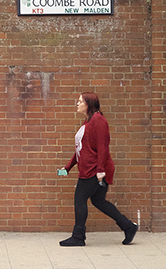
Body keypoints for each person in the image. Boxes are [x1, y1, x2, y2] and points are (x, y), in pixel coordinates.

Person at [59, 92, 138, 246]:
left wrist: (100, 170)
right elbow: (81, 150)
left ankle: (78, 236)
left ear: (89, 104)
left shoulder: (98, 120)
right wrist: (67, 168)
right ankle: (128, 226)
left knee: (79, 199)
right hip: (91, 169)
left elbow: (103, 147)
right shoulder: (88, 122)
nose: (77, 104)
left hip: (94, 170)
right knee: (98, 201)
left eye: (80, 101)